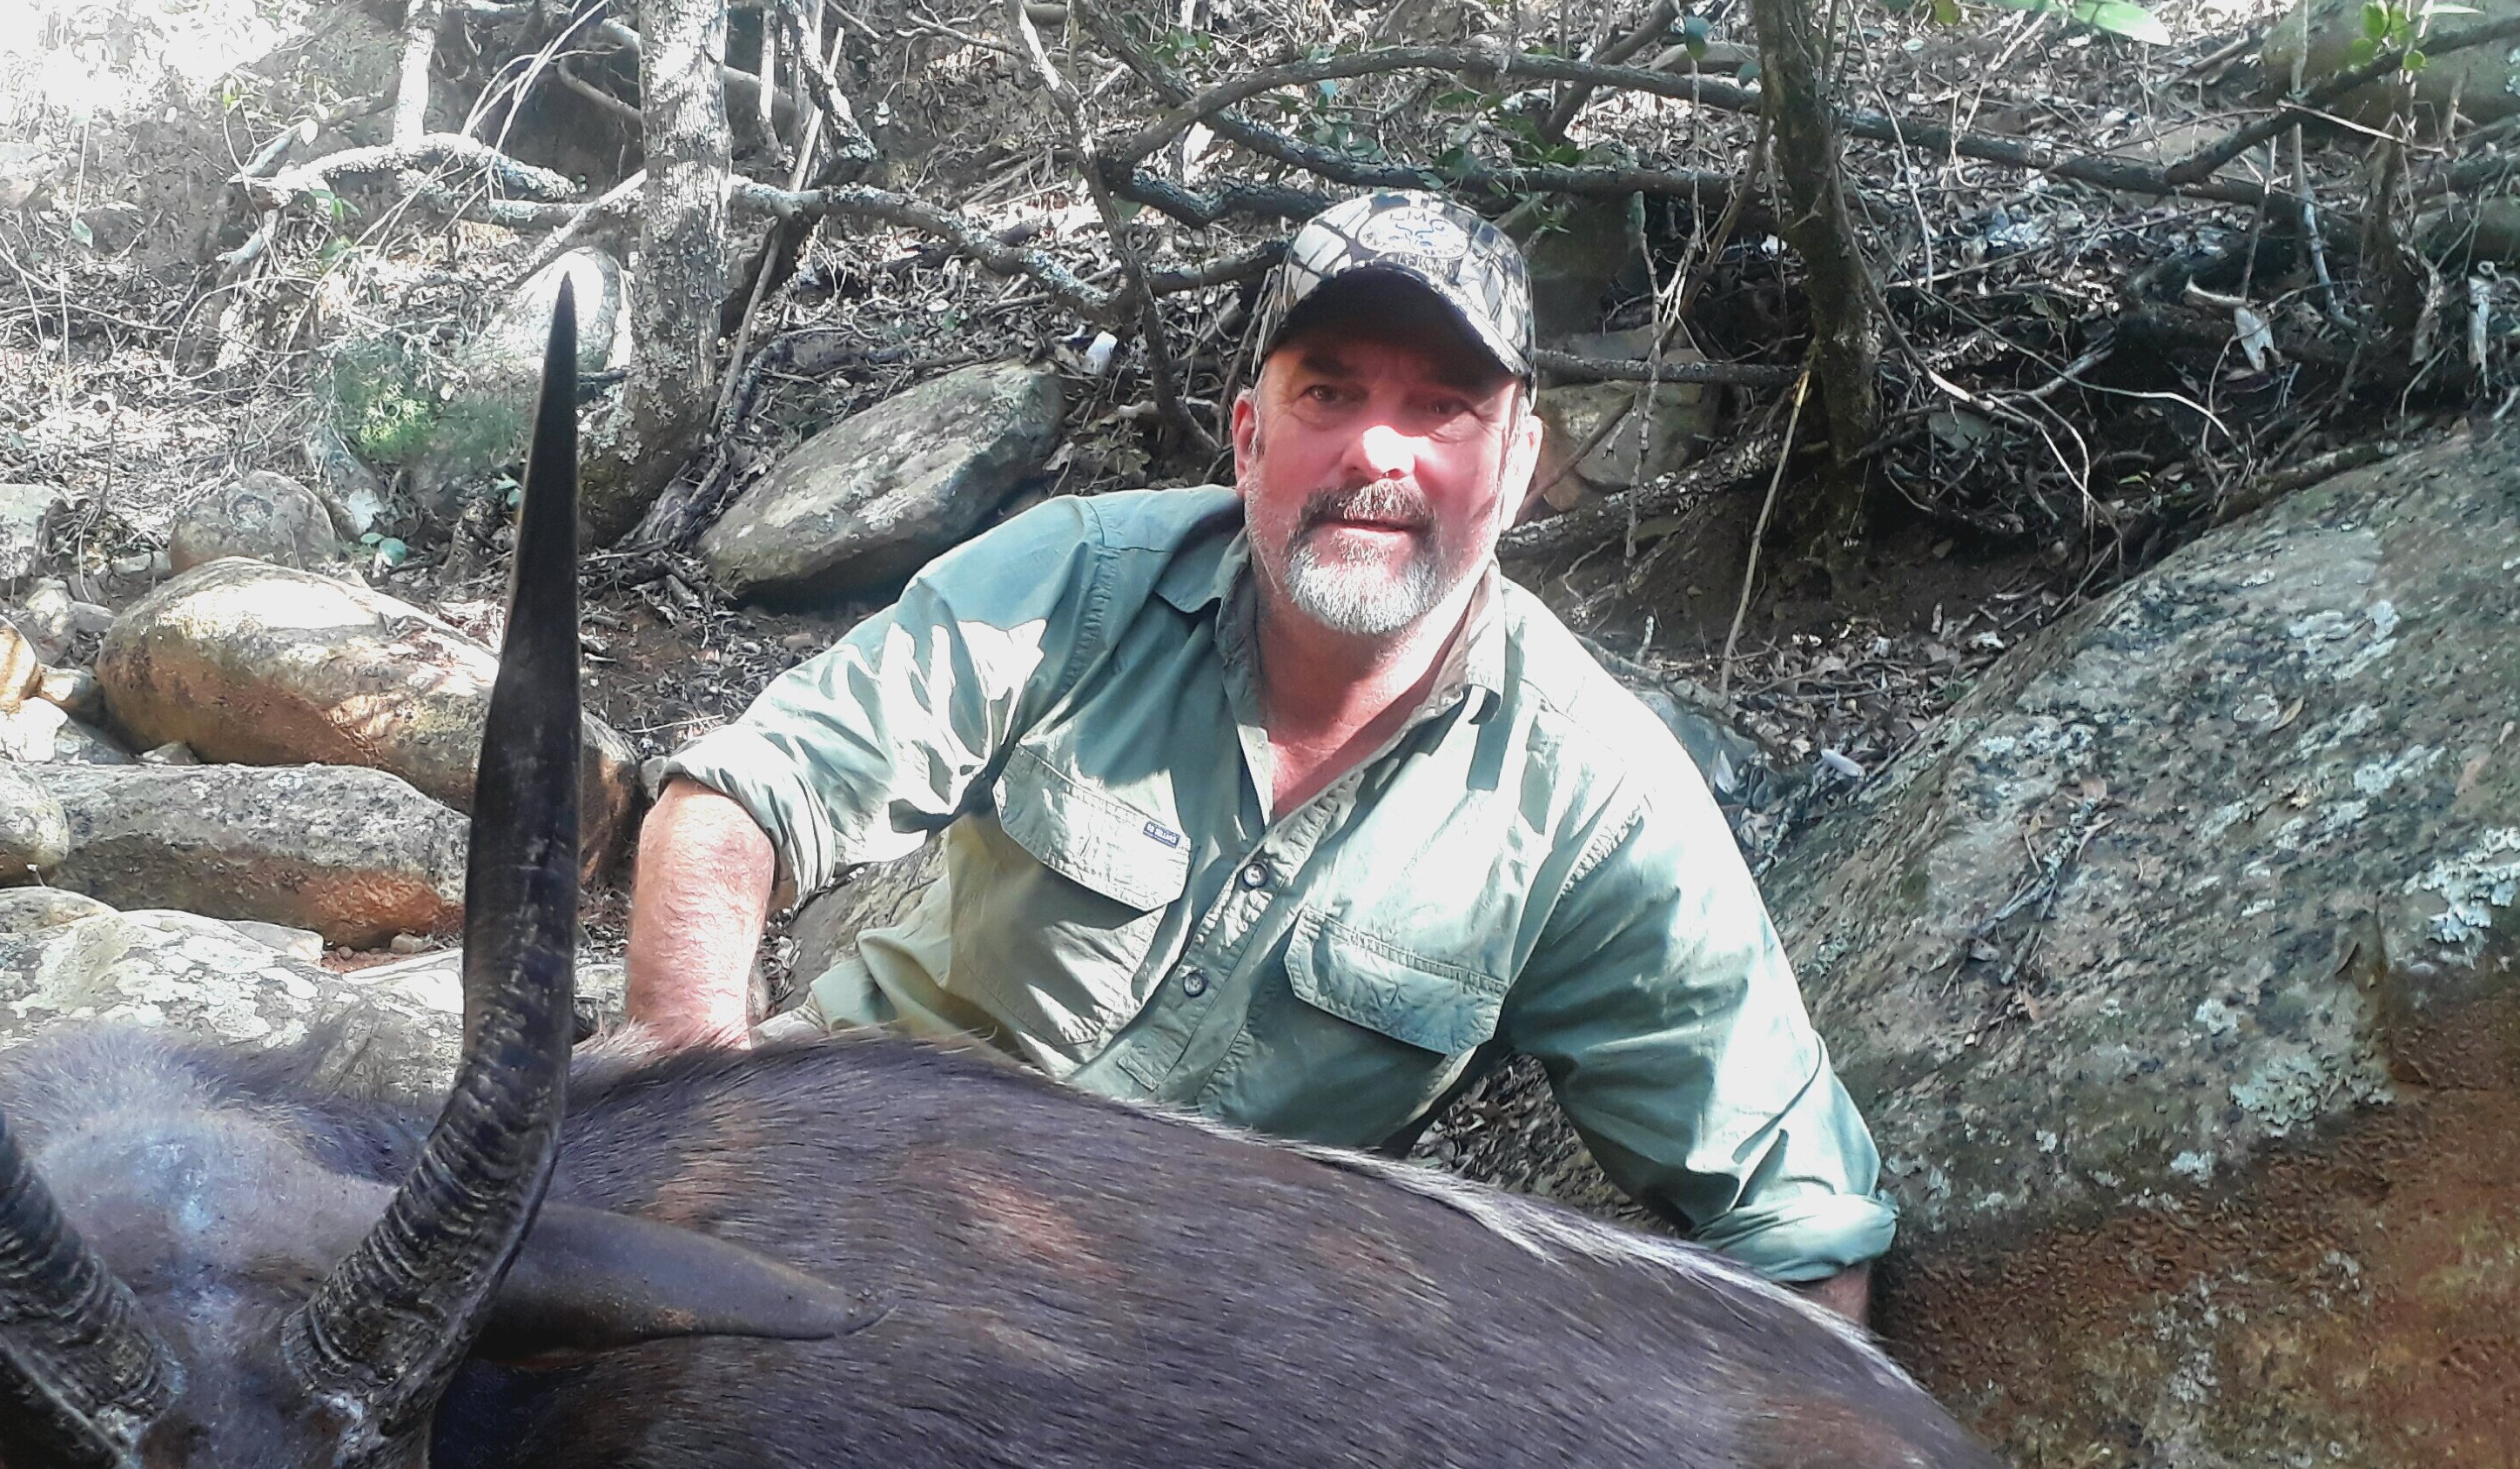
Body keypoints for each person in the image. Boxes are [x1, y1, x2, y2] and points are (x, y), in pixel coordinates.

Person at [624, 192, 1892, 1322]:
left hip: (1147, 1350)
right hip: (819, 1183)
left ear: (1517, 468)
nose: (1376, 453)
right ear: (1247, 438)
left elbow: (1798, 1226)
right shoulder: (1077, 581)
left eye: (1441, 408)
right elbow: (733, 802)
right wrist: (704, 1148)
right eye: (1328, 394)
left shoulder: (1594, 807)